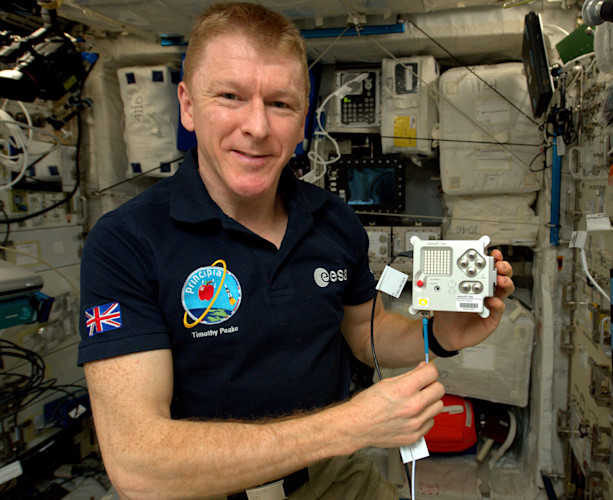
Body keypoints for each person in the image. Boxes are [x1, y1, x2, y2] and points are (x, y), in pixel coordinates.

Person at [77, 3, 515, 499]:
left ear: (303, 117)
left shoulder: (333, 219)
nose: (257, 127)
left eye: (280, 104)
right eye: (230, 96)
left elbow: (365, 332)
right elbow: (139, 464)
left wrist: (440, 333)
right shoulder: (127, 242)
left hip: (331, 479)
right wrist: (348, 425)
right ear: (188, 105)